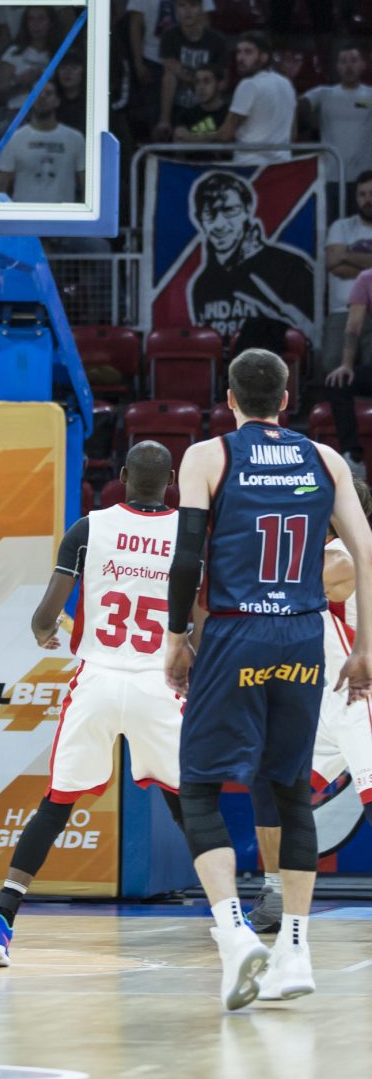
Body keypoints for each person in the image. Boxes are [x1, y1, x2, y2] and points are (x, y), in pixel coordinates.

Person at [164, 348, 372, 1011]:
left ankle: (233, 934)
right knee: (288, 790)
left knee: (197, 785)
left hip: (234, 630)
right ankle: (296, 950)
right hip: (303, 636)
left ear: (230, 398)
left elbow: (188, 553)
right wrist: (365, 645)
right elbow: (365, 547)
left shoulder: (207, 456)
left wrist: (177, 636)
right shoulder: (327, 459)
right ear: (288, 400)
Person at [0, 442, 184, 966]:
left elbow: (46, 616)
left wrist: (47, 633)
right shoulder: (190, 533)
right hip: (158, 683)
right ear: (172, 480)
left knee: (57, 805)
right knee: (191, 804)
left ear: (122, 475)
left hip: (97, 681)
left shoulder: (88, 528)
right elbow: (194, 620)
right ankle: (234, 920)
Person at [247, 476, 372, 938]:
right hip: (323, 700)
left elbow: (292, 588)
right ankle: (276, 893)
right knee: (271, 778)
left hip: (361, 699)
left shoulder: (344, 558)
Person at [187, 170, 315, 343]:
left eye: (229, 210)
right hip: (223, 368)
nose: (219, 224)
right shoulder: (201, 285)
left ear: (248, 211)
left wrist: (299, 329)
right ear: (199, 220)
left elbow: (313, 337)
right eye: (210, 214)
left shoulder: (291, 266)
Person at [126, 0, 215, 126]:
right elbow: (135, 26)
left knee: (186, 116)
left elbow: (205, 22)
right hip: (153, 57)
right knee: (155, 117)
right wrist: (139, 62)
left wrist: (201, 60)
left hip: (187, 57)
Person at [176, 31, 296, 165]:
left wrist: (190, 139)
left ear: (264, 57)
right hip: (283, 167)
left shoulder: (249, 85)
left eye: (248, 52)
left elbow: (225, 135)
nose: (240, 58)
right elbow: (293, 134)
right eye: (239, 52)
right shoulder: (286, 84)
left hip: (250, 167)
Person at [300, 45, 372, 222]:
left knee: (363, 231)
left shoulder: (370, 96)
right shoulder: (323, 93)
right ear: (337, 66)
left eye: (354, 61)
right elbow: (301, 104)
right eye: (343, 61)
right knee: (331, 228)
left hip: (364, 180)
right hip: (331, 178)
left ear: (363, 64)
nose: (349, 66)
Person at [0, 82, 86, 203]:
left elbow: (87, 186)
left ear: (57, 101)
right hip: (25, 217)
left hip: (62, 218)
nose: (42, 97)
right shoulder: (15, 139)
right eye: (37, 93)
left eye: (48, 93)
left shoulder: (75, 139)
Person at [154, 0, 226, 140]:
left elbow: (221, 81)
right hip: (179, 106)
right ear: (175, 10)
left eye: (193, 5)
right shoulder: (169, 37)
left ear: (201, 9)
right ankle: (165, 121)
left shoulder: (217, 41)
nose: (187, 11)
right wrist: (201, 78)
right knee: (169, 76)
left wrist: (187, 75)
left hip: (208, 107)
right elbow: (171, 69)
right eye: (182, 6)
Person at [325, 263, 372, 479]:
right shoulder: (366, 279)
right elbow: (353, 327)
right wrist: (346, 365)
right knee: (339, 382)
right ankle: (352, 456)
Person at [323, 169, 372, 376]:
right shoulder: (341, 226)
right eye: (362, 194)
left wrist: (347, 256)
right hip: (341, 312)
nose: (367, 200)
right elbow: (333, 262)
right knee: (332, 365)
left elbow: (341, 260)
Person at [173, 63, 228, 138]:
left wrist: (190, 137)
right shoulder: (186, 115)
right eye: (197, 82)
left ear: (220, 85)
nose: (201, 87)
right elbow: (179, 141)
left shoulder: (230, 114)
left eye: (207, 81)